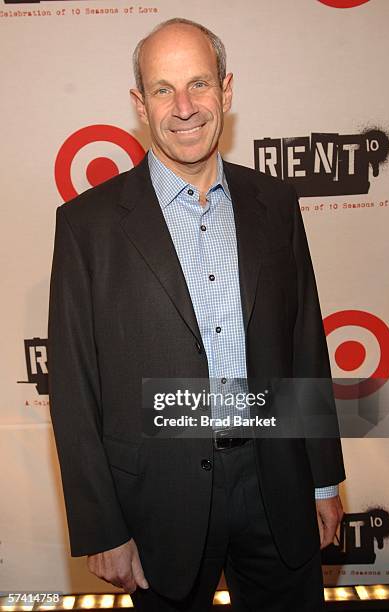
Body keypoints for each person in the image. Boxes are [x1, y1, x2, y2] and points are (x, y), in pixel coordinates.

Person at [48, 18, 346, 612]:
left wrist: (321, 478)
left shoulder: (276, 205)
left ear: (226, 91)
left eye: (199, 84)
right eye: (163, 89)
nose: (184, 107)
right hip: (157, 502)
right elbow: (75, 389)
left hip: (276, 485)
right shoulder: (88, 225)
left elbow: (303, 345)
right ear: (140, 103)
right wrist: (102, 526)